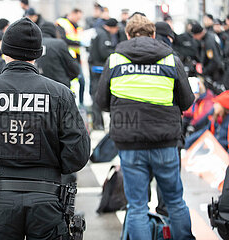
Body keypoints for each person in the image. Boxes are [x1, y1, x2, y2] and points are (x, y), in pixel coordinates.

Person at [0, 17, 90, 239]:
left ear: (5, 51)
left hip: (1, 199)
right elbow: (78, 153)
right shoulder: (60, 93)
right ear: (38, 53)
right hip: (48, 200)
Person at [95, 13, 195, 239]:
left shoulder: (115, 60)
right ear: (153, 35)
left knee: (137, 206)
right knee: (175, 202)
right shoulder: (170, 59)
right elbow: (187, 101)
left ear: (128, 35)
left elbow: (102, 102)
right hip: (165, 142)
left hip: (130, 144)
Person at [89, 18, 124, 130]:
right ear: (112, 27)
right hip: (98, 68)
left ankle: (97, 122)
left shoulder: (97, 31)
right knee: (97, 94)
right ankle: (98, 123)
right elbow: (104, 52)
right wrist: (116, 52)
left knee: (95, 94)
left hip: (94, 66)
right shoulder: (103, 35)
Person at [36, 21, 80, 88]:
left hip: (39, 88)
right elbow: (74, 68)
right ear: (53, 31)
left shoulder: (33, 44)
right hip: (59, 87)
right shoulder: (59, 44)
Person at [56, 8, 86, 105]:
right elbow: (62, 39)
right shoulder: (61, 23)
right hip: (67, 57)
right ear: (72, 14)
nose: (78, 20)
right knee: (73, 81)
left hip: (77, 57)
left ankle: (80, 104)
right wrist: (78, 43)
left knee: (81, 81)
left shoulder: (77, 26)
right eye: (77, 17)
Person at [191, 22, 225, 94]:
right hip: (213, 71)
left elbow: (214, 61)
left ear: (199, 33)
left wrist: (204, 71)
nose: (194, 37)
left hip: (216, 73)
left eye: (194, 35)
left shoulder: (209, 41)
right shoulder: (207, 37)